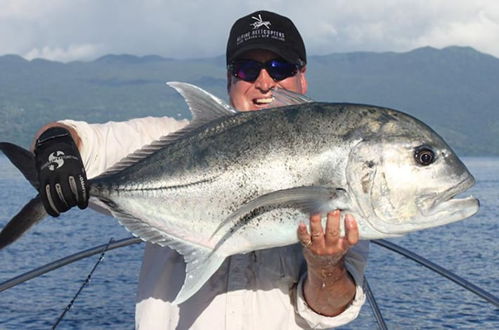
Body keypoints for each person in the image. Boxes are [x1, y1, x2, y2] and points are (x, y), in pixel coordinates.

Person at [32, 10, 368, 329]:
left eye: (280, 68)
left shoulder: (336, 173)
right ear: (229, 79)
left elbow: (329, 308)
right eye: (248, 69)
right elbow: (75, 137)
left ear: (302, 77)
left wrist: (326, 264)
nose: (265, 83)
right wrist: (55, 150)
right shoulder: (168, 142)